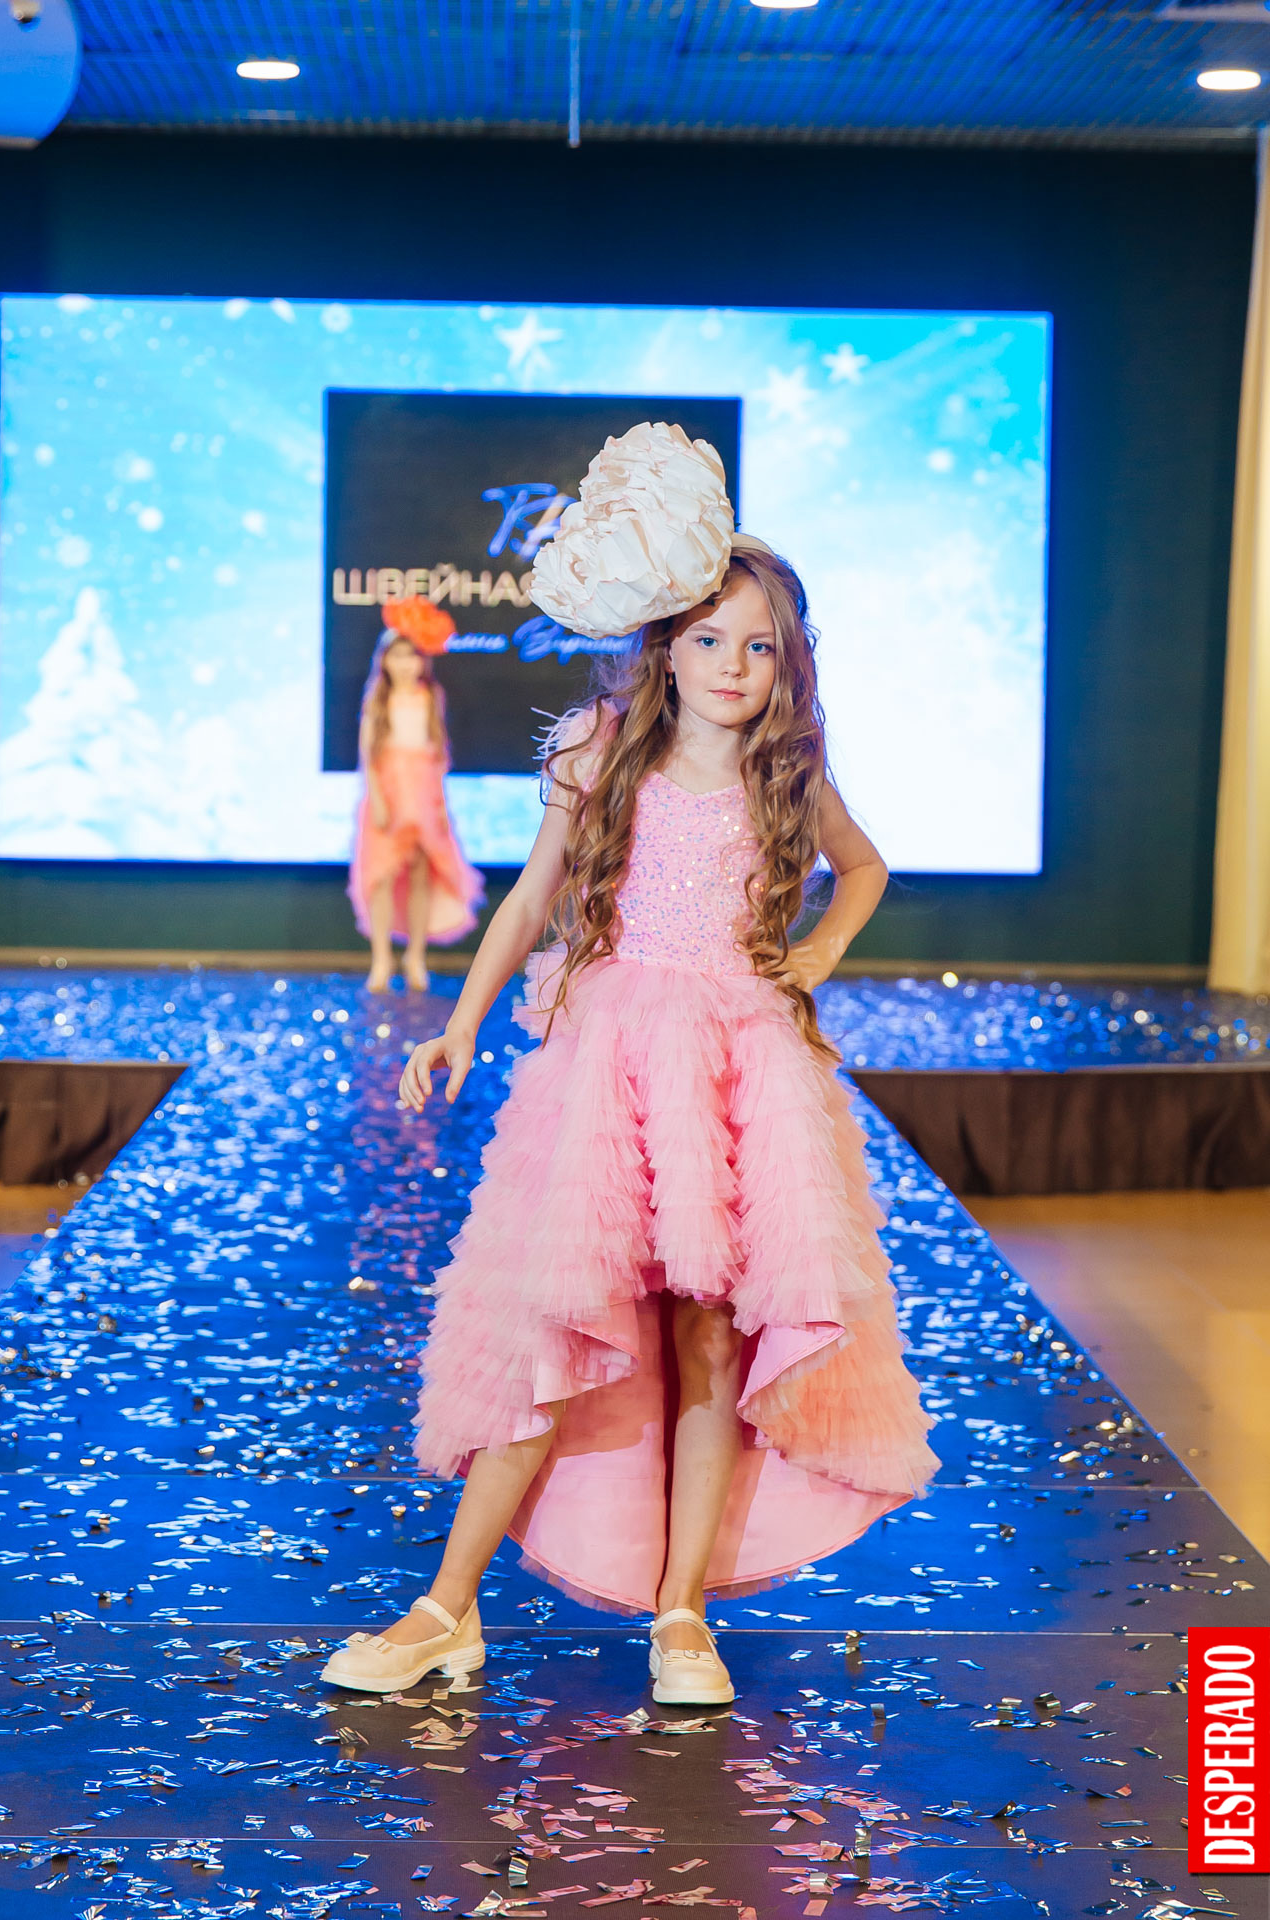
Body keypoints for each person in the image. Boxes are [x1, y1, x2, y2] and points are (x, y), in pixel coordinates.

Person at [322, 423, 937, 1706]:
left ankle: (680, 1612)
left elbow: (864, 868)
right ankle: (444, 1608)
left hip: (734, 1077)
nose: (733, 667)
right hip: (606, 1073)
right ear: (662, 645)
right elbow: (529, 898)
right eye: (709, 641)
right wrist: (462, 1021)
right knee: (559, 1325)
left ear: (788, 662)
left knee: (707, 1339)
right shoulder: (598, 749)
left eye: (759, 647)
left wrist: (817, 953)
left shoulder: (786, 769)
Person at [348, 596, 484, 993]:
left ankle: (415, 956)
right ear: (385, 661)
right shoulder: (378, 700)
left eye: (411, 656)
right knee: (382, 874)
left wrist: (439, 804)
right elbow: (368, 757)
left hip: (424, 795)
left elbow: (437, 753)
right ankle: (381, 957)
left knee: (423, 873)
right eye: (397, 656)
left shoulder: (430, 697)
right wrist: (378, 799)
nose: (405, 664)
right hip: (389, 795)